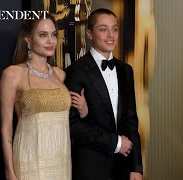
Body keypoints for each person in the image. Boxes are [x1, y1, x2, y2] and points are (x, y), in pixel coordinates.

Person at [0, 14, 88, 180]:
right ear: (28, 40)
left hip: (61, 161)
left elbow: (69, 118)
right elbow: (6, 129)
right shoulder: (13, 74)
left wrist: (83, 111)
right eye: (43, 35)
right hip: (29, 161)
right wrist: (9, 172)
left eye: (54, 35)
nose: (51, 41)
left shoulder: (60, 74)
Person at [64, 8, 143, 180]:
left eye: (114, 29)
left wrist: (136, 167)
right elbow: (72, 125)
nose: (111, 35)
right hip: (90, 167)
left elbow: (131, 119)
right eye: (103, 29)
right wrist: (115, 143)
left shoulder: (125, 70)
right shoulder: (76, 71)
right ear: (90, 34)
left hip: (123, 165)